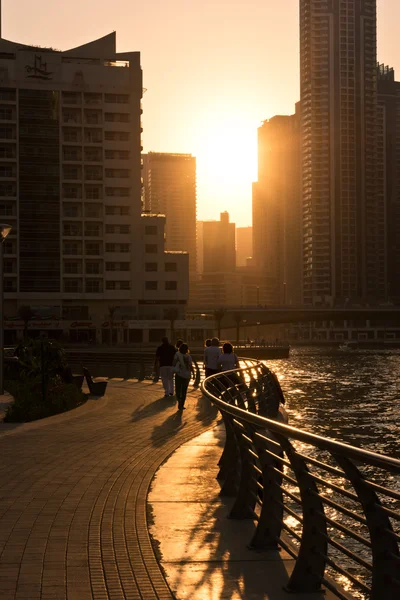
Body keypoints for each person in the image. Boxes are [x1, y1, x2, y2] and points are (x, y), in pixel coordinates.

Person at [173, 343, 194, 410]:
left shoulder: (177, 354)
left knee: (178, 389)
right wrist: (194, 374)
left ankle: (179, 400)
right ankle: (182, 405)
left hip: (179, 374)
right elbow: (191, 366)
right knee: (184, 390)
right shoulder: (189, 356)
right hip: (187, 375)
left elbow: (174, 363)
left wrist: (173, 370)